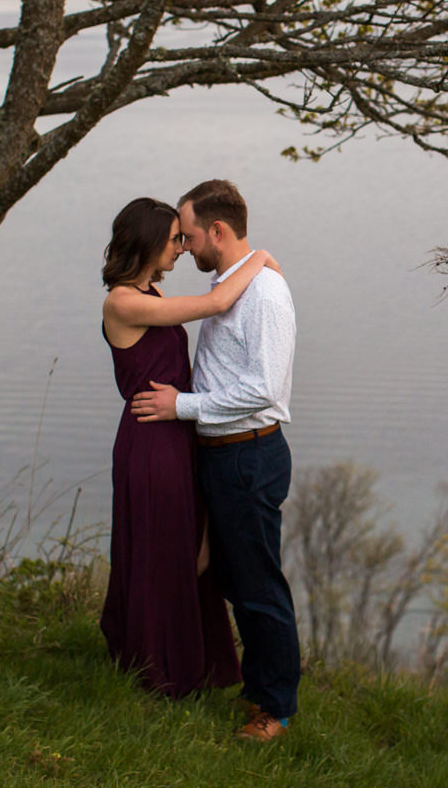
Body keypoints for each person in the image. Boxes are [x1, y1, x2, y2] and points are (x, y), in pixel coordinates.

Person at [131, 179, 300, 743]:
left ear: (218, 232)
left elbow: (263, 390)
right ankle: (251, 685)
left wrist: (182, 406)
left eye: (190, 233)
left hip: (249, 455)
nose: (184, 244)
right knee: (228, 576)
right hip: (219, 455)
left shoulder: (265, 294)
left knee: (258, 586)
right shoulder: (225, 284)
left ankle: (275, 710)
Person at [98, 196, 278, 699]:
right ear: (150, 241)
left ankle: (195, 665)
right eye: (175, 239)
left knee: (194, 553)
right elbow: (215, 304)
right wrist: (258, 259)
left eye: (184, 237)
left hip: (179, 435)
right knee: (162, 552)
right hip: (151, 443)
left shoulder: (149, 292)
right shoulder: (123, 302)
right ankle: (159, 672)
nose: (181, 247)